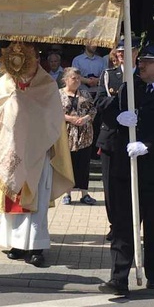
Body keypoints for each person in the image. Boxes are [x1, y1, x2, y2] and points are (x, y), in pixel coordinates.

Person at [98, 42, 154, 297]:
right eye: (141, 61)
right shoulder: (131, 88)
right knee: (122, 225)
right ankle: (118, 278)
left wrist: (147, 145)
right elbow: (105, 111)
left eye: (147, 62)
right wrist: (117, 117)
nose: (140, 65)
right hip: (126, 169)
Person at [0, 41, 74, 267]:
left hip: (37, 152)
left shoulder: (47, 85)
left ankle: (36, 247)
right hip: (10, 151)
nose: (25, 68)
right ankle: (15, 243)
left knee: (36, 201)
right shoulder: (2, 85)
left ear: (36, 61)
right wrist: (12, 103)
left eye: (29, 61)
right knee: (11, 199)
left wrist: (24, 105)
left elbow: (53, 121)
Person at [95, 36, 139, 241]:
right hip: (112, 137)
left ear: (136, 53)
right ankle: (115, 224)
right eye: (119, 51)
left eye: (127, 51)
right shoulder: (108, 75)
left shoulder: (142, 76)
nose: (122, 54)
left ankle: (132, 226)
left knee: (134, 185)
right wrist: (118, 112)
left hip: (135, 140)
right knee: (111, 186)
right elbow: (99, 102)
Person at [59, 67, 97, 205]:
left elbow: (93, 110)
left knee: (84, 164)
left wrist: (85, 118)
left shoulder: (85, 93)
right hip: (66, 133)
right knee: (68, 164)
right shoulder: (58, 94)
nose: (76, 81)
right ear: (66, 80)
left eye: (78, 78)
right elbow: (53, 112)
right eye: (73, 78)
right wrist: (69, 118)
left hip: (84, 134)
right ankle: (67, 193)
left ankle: (84, 193)